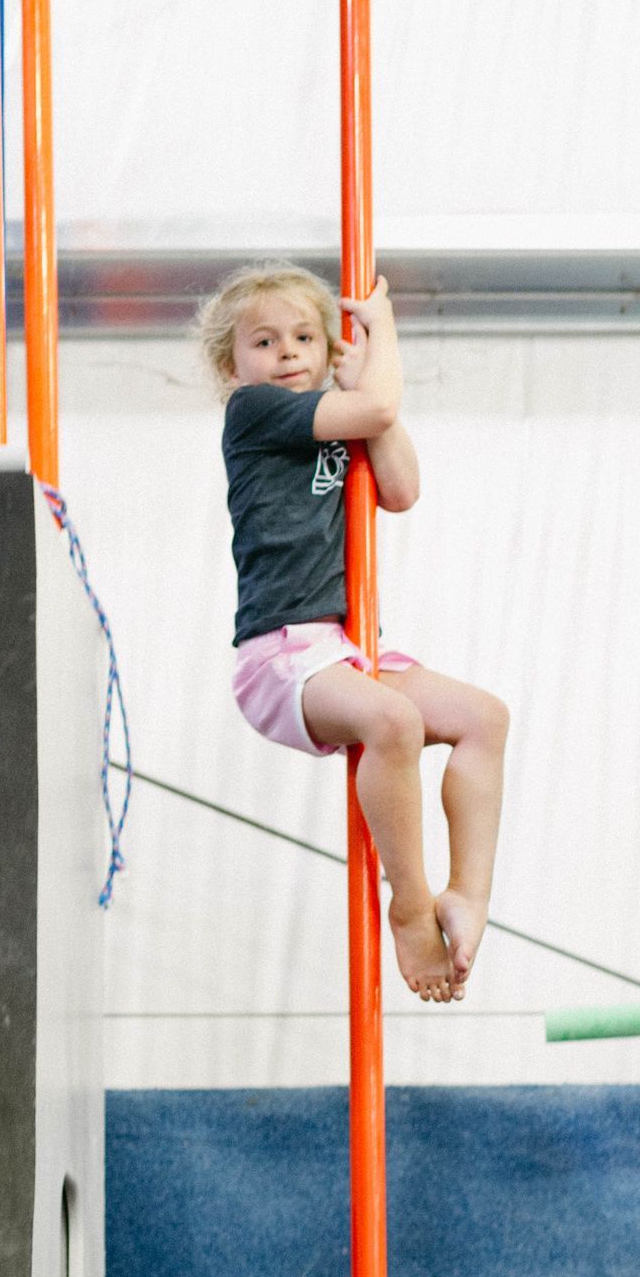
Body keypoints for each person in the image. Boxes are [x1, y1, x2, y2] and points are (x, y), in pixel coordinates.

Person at [198, 260, 509, 1006]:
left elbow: (401, 489)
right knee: (392, 721)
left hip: (345, 650)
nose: (288, 354)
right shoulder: (256, 414)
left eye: (306, 336)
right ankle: (408, 906)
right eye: (265, 342)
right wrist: (382, 335)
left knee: (483, 719)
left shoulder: (340, 415)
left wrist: (364, 388)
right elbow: (372, 412)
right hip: (281, 655)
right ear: (232, 365)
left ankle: (468, 894)